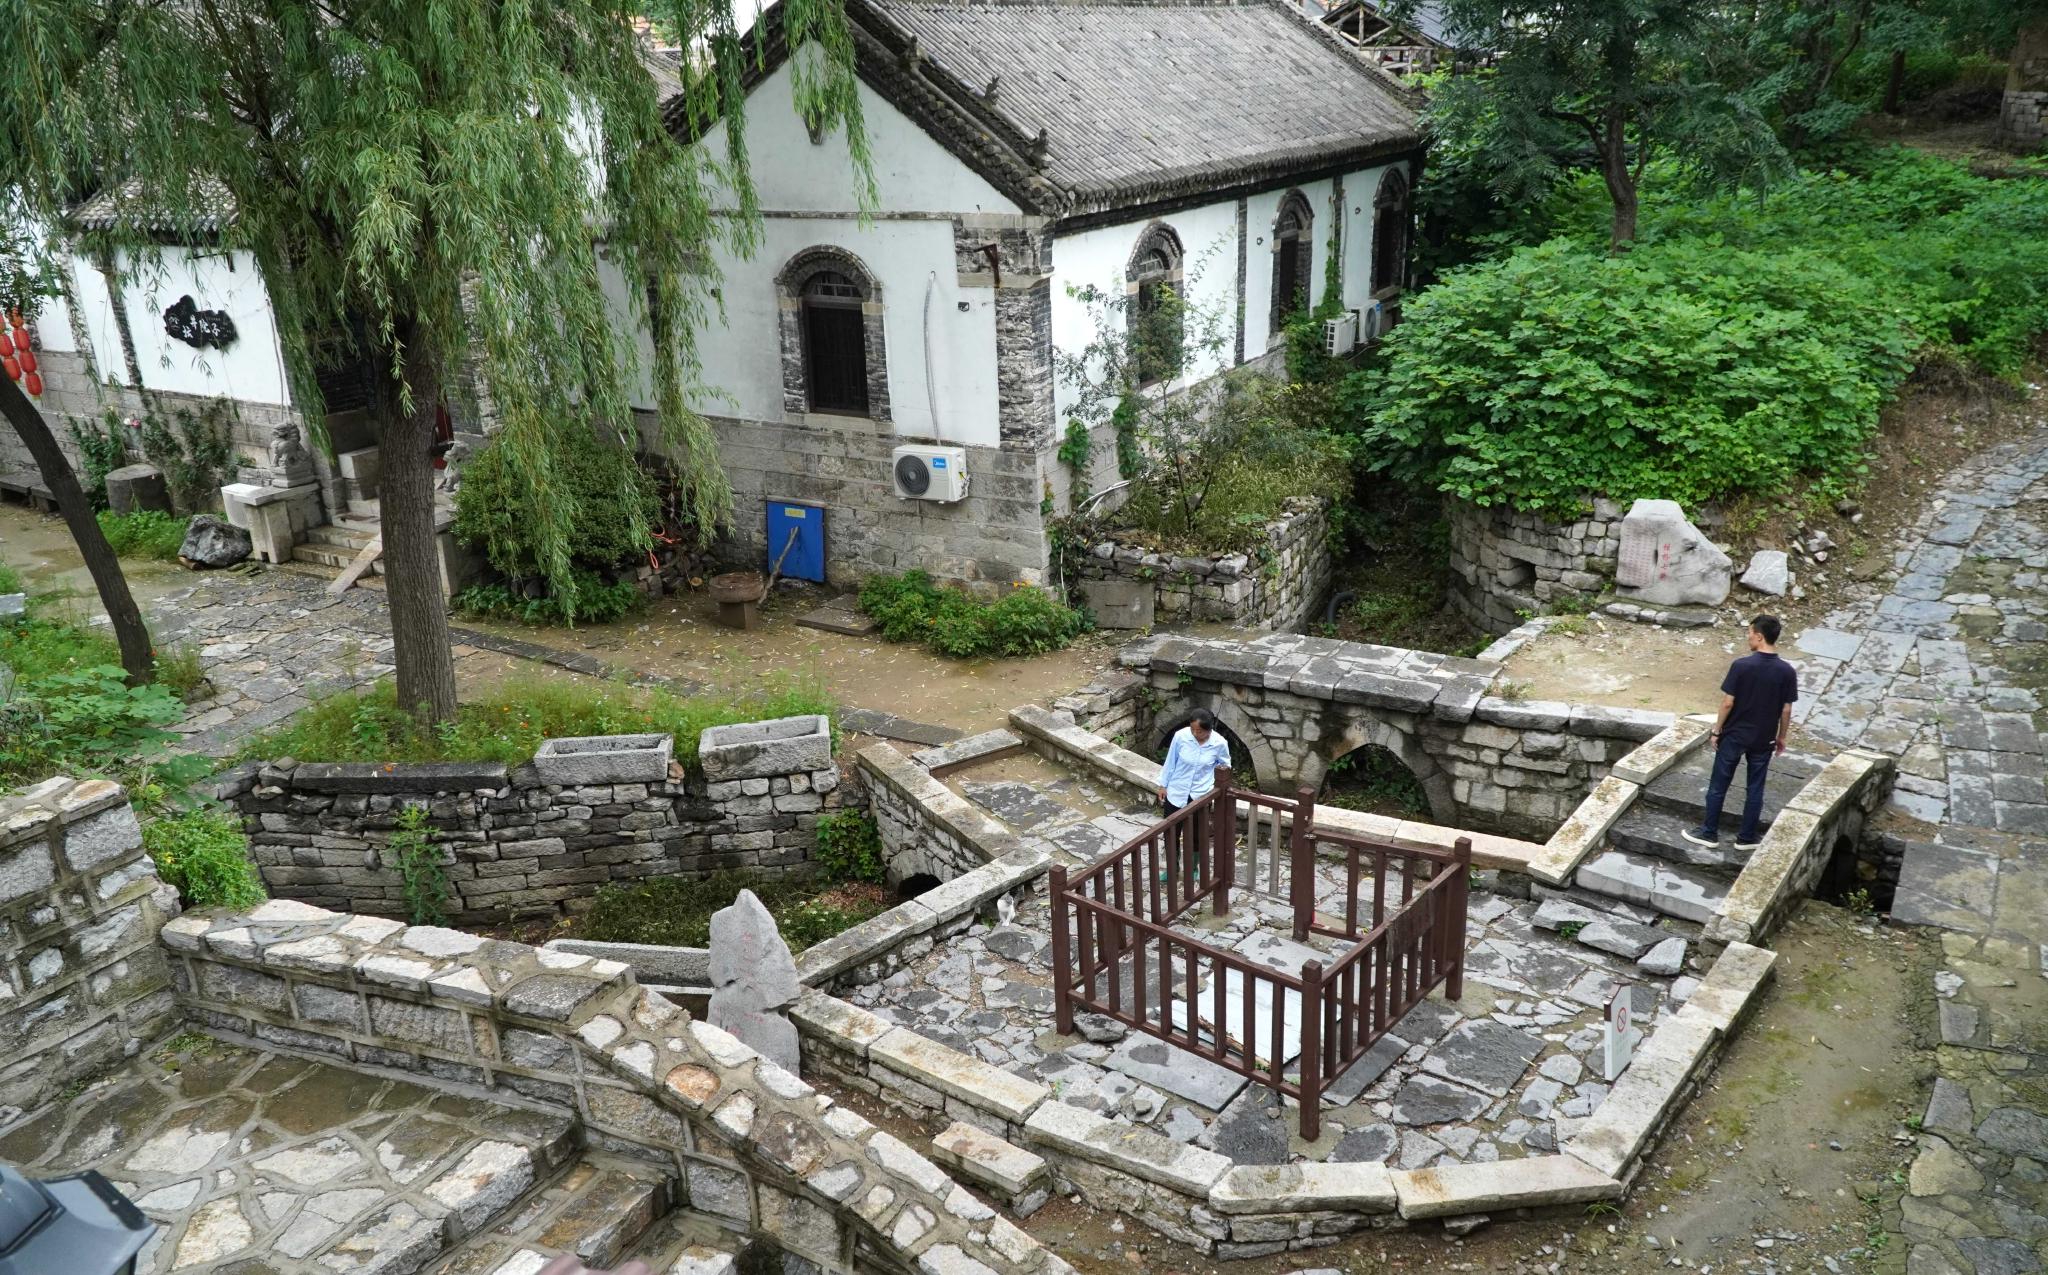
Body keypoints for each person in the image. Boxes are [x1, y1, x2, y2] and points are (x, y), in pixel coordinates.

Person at [1683, 614, 1799, 852]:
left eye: (1749, 633)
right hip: (1764, 737)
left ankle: (1709, 832)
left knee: (1719, 784)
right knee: (1755, 788)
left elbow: (1727, 703)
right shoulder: (1787, 671)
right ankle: (1746, 838)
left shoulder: (1742, 666)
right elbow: (1786, 709)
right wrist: (1781, 736)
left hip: (1735, 735)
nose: (1748, 637)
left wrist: (1717, 731)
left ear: (1759, 636)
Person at [1159, 709, 1232, 815]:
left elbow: (1225, 766)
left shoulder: (1219, 743)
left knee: (1197, 830)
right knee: (1171, 829)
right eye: (1192, 729)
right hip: (1176, 791)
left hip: (1200, 794)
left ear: (1209, 729)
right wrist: (1163, 785)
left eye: (1199, 731)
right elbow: (1170, 761)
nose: (1194, 733)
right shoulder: (1181, 736)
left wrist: (1213, 785)